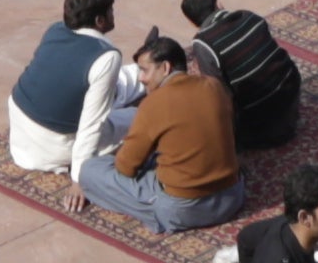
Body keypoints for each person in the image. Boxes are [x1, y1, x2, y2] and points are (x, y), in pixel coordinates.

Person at [82, 27, 245, 233]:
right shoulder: (214, 86)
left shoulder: (154, 103)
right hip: (233, 197)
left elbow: (126, 167)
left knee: (90, 170)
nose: (141, 78)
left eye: (144, 70)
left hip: (184, 209)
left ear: (166, 67)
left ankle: (156, 214)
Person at [8, 0, 123, 173]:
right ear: (100, 21)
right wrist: (80, 175)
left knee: (119, 83)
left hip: (22, 132)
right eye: (110, 10)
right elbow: (92, 125)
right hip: (54, 145)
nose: (113, 14)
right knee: (137, 118)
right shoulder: (107, 57)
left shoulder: (55, 30)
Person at [190, 0, 307, 145]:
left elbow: (218, 92)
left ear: (192, 22)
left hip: (257, 116)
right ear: (219, 4)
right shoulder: (248, 16)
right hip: (289, 90)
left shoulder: (204, 43)